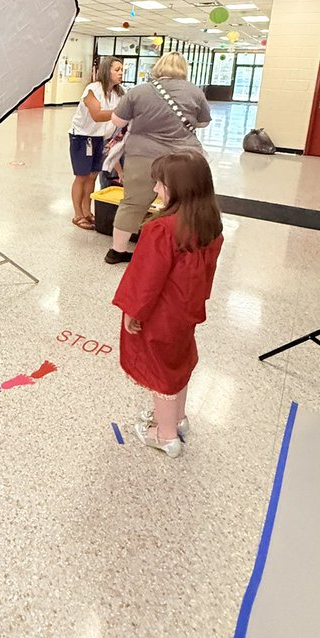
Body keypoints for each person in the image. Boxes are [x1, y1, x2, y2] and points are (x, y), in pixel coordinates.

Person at [113, 152, 223, 458]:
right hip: (186, 311)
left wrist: (133, 311)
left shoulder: (161, 229)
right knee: (180, 364)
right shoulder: (209, 223)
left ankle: (165, 435)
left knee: (162, 373)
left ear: (181, 188)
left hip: (161, 315)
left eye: (161, 184)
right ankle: (178, 418)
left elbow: (146, 279)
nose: (156, 190)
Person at [104, 51, 211, 265]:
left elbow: (117, 121)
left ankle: (117, 251)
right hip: (181, 158)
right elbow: (203, 123)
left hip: (142, 155)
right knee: (182, 203)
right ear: (184, 69)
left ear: (159, 67)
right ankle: (179, 249)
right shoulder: (195, 92)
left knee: (133, 202)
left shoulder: (139, 91)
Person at [69, 56, 125, 229]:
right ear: (106, 70)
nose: (121, 73)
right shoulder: (93, 89)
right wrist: (119, 112)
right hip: (82, 137)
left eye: (122, 69)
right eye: (117, 69)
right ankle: (77, 215)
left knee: (93, 176)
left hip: (100, 138)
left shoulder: (118, 94)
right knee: (82, 176)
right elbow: (97, 115)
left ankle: (87, 211)